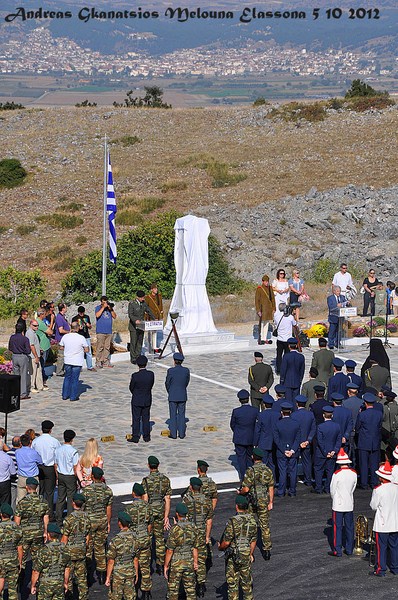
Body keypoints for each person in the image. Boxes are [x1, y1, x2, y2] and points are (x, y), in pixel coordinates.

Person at [218, 495, 257, 600]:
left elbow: (226, 542)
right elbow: (253, 540)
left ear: (237, 506)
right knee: (247, 584)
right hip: (245, 553)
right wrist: (250, 553)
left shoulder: (233, 521)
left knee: (232, 584)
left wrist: (220, 547)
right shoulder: (252, 521)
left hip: (233, 556)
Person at [241, 447, 274, 560]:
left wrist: (240, 493)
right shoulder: (267, 470)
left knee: (251, 524)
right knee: (264, 526)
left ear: (253, 457)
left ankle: (250, 550)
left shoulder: (250, 471)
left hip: (252, 501)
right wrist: (271, 501)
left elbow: (245, 489)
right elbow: (270, 487)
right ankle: (267, 550)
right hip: (264, 501)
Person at [182, 477, 213, 597]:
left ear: (191, 487)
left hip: (190, 532)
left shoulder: (186, 500)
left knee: (189, 556)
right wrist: (207, 536)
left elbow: (182, 517)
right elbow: (209, 521)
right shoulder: (207, 500)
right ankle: (201, 585)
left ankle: (190, 583)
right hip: (201, 531)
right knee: (201, 558)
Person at [82, 466, 113, 586]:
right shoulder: (108, 491)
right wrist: (108, 522)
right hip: (102, 521)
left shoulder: (86, 491)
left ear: (92, 477)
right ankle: (101, 575)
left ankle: (89, 575)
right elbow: (108, 509)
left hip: (90, 522)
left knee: (88, 548)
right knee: (100, 548)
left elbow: (83, 508)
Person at [141, 455, 171, 574]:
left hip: (150, 511)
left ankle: (147, 565)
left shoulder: (146, 481)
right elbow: (167, 499)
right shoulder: (165, 480)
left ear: (149, 466)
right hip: (160, 509)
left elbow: (145, 498)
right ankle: (160, 564)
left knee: (148, 538)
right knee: (159, 538)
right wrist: (166, 516)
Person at [164, 502, 198, 600]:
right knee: (190, 590)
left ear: (177, 514)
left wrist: (166, 565)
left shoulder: (175, 529)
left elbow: (170, 550)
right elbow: (195, 547)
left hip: (176, 563)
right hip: (189, 561)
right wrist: (195, 562)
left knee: (173, 592)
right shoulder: (193, 527)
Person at [14, 477, 49, 570]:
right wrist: (45, 531)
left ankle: (21, 579)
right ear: (36, 488)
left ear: (26, 487)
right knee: (37, 558)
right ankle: (36, 580)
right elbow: (46, 517)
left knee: (22, 558)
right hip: (38, 533)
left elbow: (17, 521)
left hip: (25, 534)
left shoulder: (22, 502)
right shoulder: (43, 501)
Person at [370, 460, 398, 577]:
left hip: (382, 524)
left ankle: (381, 569)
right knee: (394, 547)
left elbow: (373, 506)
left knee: (381, 547)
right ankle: (395, 567)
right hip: (395, 522)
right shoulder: (396, 488)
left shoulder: (378, 489)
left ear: (381, 478)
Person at [125, 482, 153, 600]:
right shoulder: (148, 507)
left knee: (132, 565)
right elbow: (150, 524)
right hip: (144, 536)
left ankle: (133, 589)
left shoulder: (129, 508)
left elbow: (126, 525)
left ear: (133, 493)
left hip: (133, 538)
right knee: (145, 565)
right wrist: (147, 535)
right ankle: (146, 591)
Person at [61, 492, 92, 600]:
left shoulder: (69, 519)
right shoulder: (87, 517)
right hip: (81, 549)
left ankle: (69, 595)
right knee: (82, 577)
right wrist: (84, 546)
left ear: (73, 503)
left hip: (70, 551)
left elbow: (65, 538)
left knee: (68, 577)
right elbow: (88, 536)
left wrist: (62, 552)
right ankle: (83, 596)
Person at [329, 448, 357, 557]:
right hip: (349, 503)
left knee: (337, 528)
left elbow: (332, 490)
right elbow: (353, 488)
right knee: (349, 527)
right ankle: (349, 549)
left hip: (338, 504)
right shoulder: (353, 473)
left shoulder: (337, 474)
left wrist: (335, 498)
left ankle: (337, 550)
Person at [30, 522, 70, 598]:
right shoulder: (65, 549)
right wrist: (65, 583)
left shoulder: (43, 550)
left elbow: (36, 571)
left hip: (45, 585)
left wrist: (33, 585)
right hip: (59, 582)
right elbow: (67, 569)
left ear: (48, 535)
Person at [105, 511, 139, 598]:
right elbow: (135, 558)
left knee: (115, 596)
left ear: (119, 523)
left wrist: (108, 577)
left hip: (118, 574)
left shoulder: (115, 540)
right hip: (130, 571)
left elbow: (111, 561)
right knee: (130, 596)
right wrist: (136, 573)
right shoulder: (135, 538)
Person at [31, 419, 60, 521]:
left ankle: (39, 512)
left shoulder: (36, 441)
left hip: (39, 467)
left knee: (40, 491)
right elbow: (57, 456)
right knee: (50, 492)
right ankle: (49, 514)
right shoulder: (54, 441)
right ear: (50, 430)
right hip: (50, 468)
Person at [355, 392, 383, 489]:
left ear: (365, 403)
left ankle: (364, 483)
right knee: (374, 464)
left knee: (363, 464)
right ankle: (374, 482)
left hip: (363, 442)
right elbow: (379, 428)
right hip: (375, 442)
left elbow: (357, 428)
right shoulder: (379, 414)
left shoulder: (362, 415)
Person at [273, 402, 301, 497]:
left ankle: (281, 491)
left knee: (282, 472)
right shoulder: (296, 424)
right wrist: (292, 450)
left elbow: (276, 440)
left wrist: (284, 450)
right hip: (293, 452)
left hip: (281, 453)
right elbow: (298, 439)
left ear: (282, 412)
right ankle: (292, 491)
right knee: (293, 472)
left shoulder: (277, 424)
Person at [230, 390, 258, 481]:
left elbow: (232, 425)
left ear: (240, 400)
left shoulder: (236, 411)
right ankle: (250, 476)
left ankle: (243, 478)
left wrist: (238, 432)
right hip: (250, 438)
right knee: (250, 458)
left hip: (239, 438)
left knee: (241, 459)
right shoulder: (255, 410)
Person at [313, 406, 341, 494]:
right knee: (330, 471)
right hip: (332, 452)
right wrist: (334, 451)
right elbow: (338, 440)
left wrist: (325, 452)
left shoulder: (320, 427)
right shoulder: (337, 426)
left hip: (321, 453)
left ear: (323, 415)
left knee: (318, 470)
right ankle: (328, 488)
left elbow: (320, 441)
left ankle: (318, 488)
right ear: (332, 416)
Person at [59, 321, 89, 402]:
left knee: (67, 378)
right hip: (77, 361)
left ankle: (65, 395)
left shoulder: (65, 337)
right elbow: (87, 349)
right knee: (75, 379)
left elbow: (61, 347)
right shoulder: (81, 338)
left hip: (68, 360)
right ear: (78, 328)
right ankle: (73, 396)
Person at [54, 429, 79, 526]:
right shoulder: (73, 451)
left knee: (60, 498)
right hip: (70, 476)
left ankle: (58, 520)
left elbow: (55, 464)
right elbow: (75, 466)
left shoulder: (58, 450)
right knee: (70, 498)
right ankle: (69, 519)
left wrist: (57, 476)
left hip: (60, 475)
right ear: (72, 439)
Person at [129, 355, 155, 443]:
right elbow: (151, 385)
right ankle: (146, 436)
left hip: (137, 399)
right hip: (147, 398)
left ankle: (135, 437)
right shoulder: (151, 374)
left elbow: (131, 387)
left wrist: (136, 393)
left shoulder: (135, 376)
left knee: (136, 418)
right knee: (146, 418)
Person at [291, 395, 316, 487]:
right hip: (306, 442)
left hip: (296, 443)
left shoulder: (293, 415)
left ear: (297, 404)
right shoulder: (310, 414)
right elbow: (313, 429)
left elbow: (293, 430)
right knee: (307, 462)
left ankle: (293, 481)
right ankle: (308, 480)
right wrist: (308, 440)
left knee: (294, 462)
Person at [0, 503, 23, 600]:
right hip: (13, 560)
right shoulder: (17, 528)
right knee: (13, 588)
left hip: (1, 561)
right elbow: (20, 548)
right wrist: (20, 562)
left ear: (1, 514)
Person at [165, 352, 190, 440]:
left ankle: (173, 434)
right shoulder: (186, 370)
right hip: (182, 394)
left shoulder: (171, 371)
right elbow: (186, 382)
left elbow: (167, 383)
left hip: (173, 395)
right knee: (182, 415)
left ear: (174, 361)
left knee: (173, 415)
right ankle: (182, 434)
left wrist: (170, 391)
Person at [254, 393, 278, 477]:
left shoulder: (261, 415)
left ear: (264, 404)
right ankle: (273, 481)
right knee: (272, 464)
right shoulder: (277, 414)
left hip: (263, 443)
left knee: (262, 464)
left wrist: (255, 443)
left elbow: (258, 431)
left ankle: (264, 481)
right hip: (274, 443)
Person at [128, 291, 155, 364]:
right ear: (138, 297)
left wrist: (154, 318)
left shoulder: (144, 303)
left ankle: (138, 355)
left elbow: (149, 311)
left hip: (141, 326)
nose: (143, 299)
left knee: (140, 341)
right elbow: (130, 315)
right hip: (134, 327)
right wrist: (135, 320)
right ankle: (133, 358)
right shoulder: (132, 304)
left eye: (143, 297)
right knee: (134, 342)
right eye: (142, 298)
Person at [15, 433, 42, 503]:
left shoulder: (17, 452)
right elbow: (41, 462)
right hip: (33, 477)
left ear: (20, 442)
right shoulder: (34, 452)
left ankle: (19, 513)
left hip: (22, 477)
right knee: (34, 500)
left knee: (20, 500)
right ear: (30, 441)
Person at [8, 322, 31, 399]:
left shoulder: (12, 337)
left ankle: (16, 392)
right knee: (23, 376)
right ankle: (23, 394)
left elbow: (10, 348)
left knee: (16, 375)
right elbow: (28, 351)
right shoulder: (25, 339)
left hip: (14, 356)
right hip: (22, 356)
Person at [273, 302, 297, 375]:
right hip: (287, 339)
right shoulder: (290, 317)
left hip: (279, 339)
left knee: (279, 355)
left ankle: (279, 370)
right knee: (287, 355)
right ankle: (286, 368)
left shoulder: (276, 316)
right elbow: (295, 324)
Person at [280, 337, 305, 405]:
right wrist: (300, 380)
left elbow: (283, 370)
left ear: (289, 346)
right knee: (296, 402)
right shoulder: (301, 357)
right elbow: (302, 370)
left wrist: (281, 381)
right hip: (297, 382)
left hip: (287, 382)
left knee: (288, 402)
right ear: (296, 346)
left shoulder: (286, 356)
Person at [71, 305, 96, 371]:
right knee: (78, 352)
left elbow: (90, 327)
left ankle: (90, 366)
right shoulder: (75, 318)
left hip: (86, 336)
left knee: (88, 352)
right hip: (78, 336)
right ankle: (78, 366)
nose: (81, 314)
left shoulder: (87, 317)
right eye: (80, 313)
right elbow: (73, 328)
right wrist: (78, 328)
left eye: (82, 313)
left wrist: (88, 325)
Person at [95, 295, 117, 369]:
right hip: (101, 331)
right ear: (101, 302)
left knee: (107, 347)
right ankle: (98, 362)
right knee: (100, 347)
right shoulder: (98, 308)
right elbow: (97, 315)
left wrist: (111, 309)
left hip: (108, 331)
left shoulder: (109, 308)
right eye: (103, 301)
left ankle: (106, 361)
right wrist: (103, 308)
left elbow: (114, 316)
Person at [255, 274, 276, 344]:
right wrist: (258, 310)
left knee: (266, 323)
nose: (266, 283)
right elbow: (257, 300)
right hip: (262, 309)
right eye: (265, 281)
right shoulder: (259, 288)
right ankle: (261, 338)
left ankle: (264, 338)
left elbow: (273, 298)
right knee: (261, 323)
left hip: (268, 309)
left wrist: (274, 308)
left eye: (267, 281)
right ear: (263, 281)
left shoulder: (270, 288)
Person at [25, 319, 44, 394]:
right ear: (31, 325)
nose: (37, 327)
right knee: (33, 372)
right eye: (35, 326)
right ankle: (32, 386)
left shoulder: (34, 332)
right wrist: (36, 356)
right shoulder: (30, 333)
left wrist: (39, 349)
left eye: (37, 326)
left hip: (37, 354)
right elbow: (31, 345)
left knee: (38, 370)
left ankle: (40, 385)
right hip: (33, 356)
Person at [145, 282, 164, 352]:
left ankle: (154, 346)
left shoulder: (159, 296)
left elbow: (161, 307)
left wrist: (161, 316)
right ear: (151, 289)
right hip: (150, 317)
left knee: (155, 331)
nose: (156, 290)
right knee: (150, 331)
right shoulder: (148, 297)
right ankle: (149, 345)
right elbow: (146, 308)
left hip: (157, 316)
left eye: (156, 288)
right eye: (155, 288)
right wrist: (146, 318)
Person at [36, 308, 52, 387]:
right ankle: (41, 381)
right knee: (42, 364)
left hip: (44, 345)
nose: (45, 316)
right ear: (41, 314)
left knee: (42, 363)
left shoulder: (39, 321)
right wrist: (52, 321)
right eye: (45, 314)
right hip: (43, 346)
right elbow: (50, 332)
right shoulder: (40, 323)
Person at [54, 303, 70, 377]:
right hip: (61, 340)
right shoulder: (59, 318)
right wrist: (68, 332)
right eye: (65, 307)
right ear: (63, 308)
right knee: (61, 356)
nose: (66, 308)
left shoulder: (63, 317)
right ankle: (59, 371)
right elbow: (61, 330)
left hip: (65, 339)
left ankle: (63, 369)